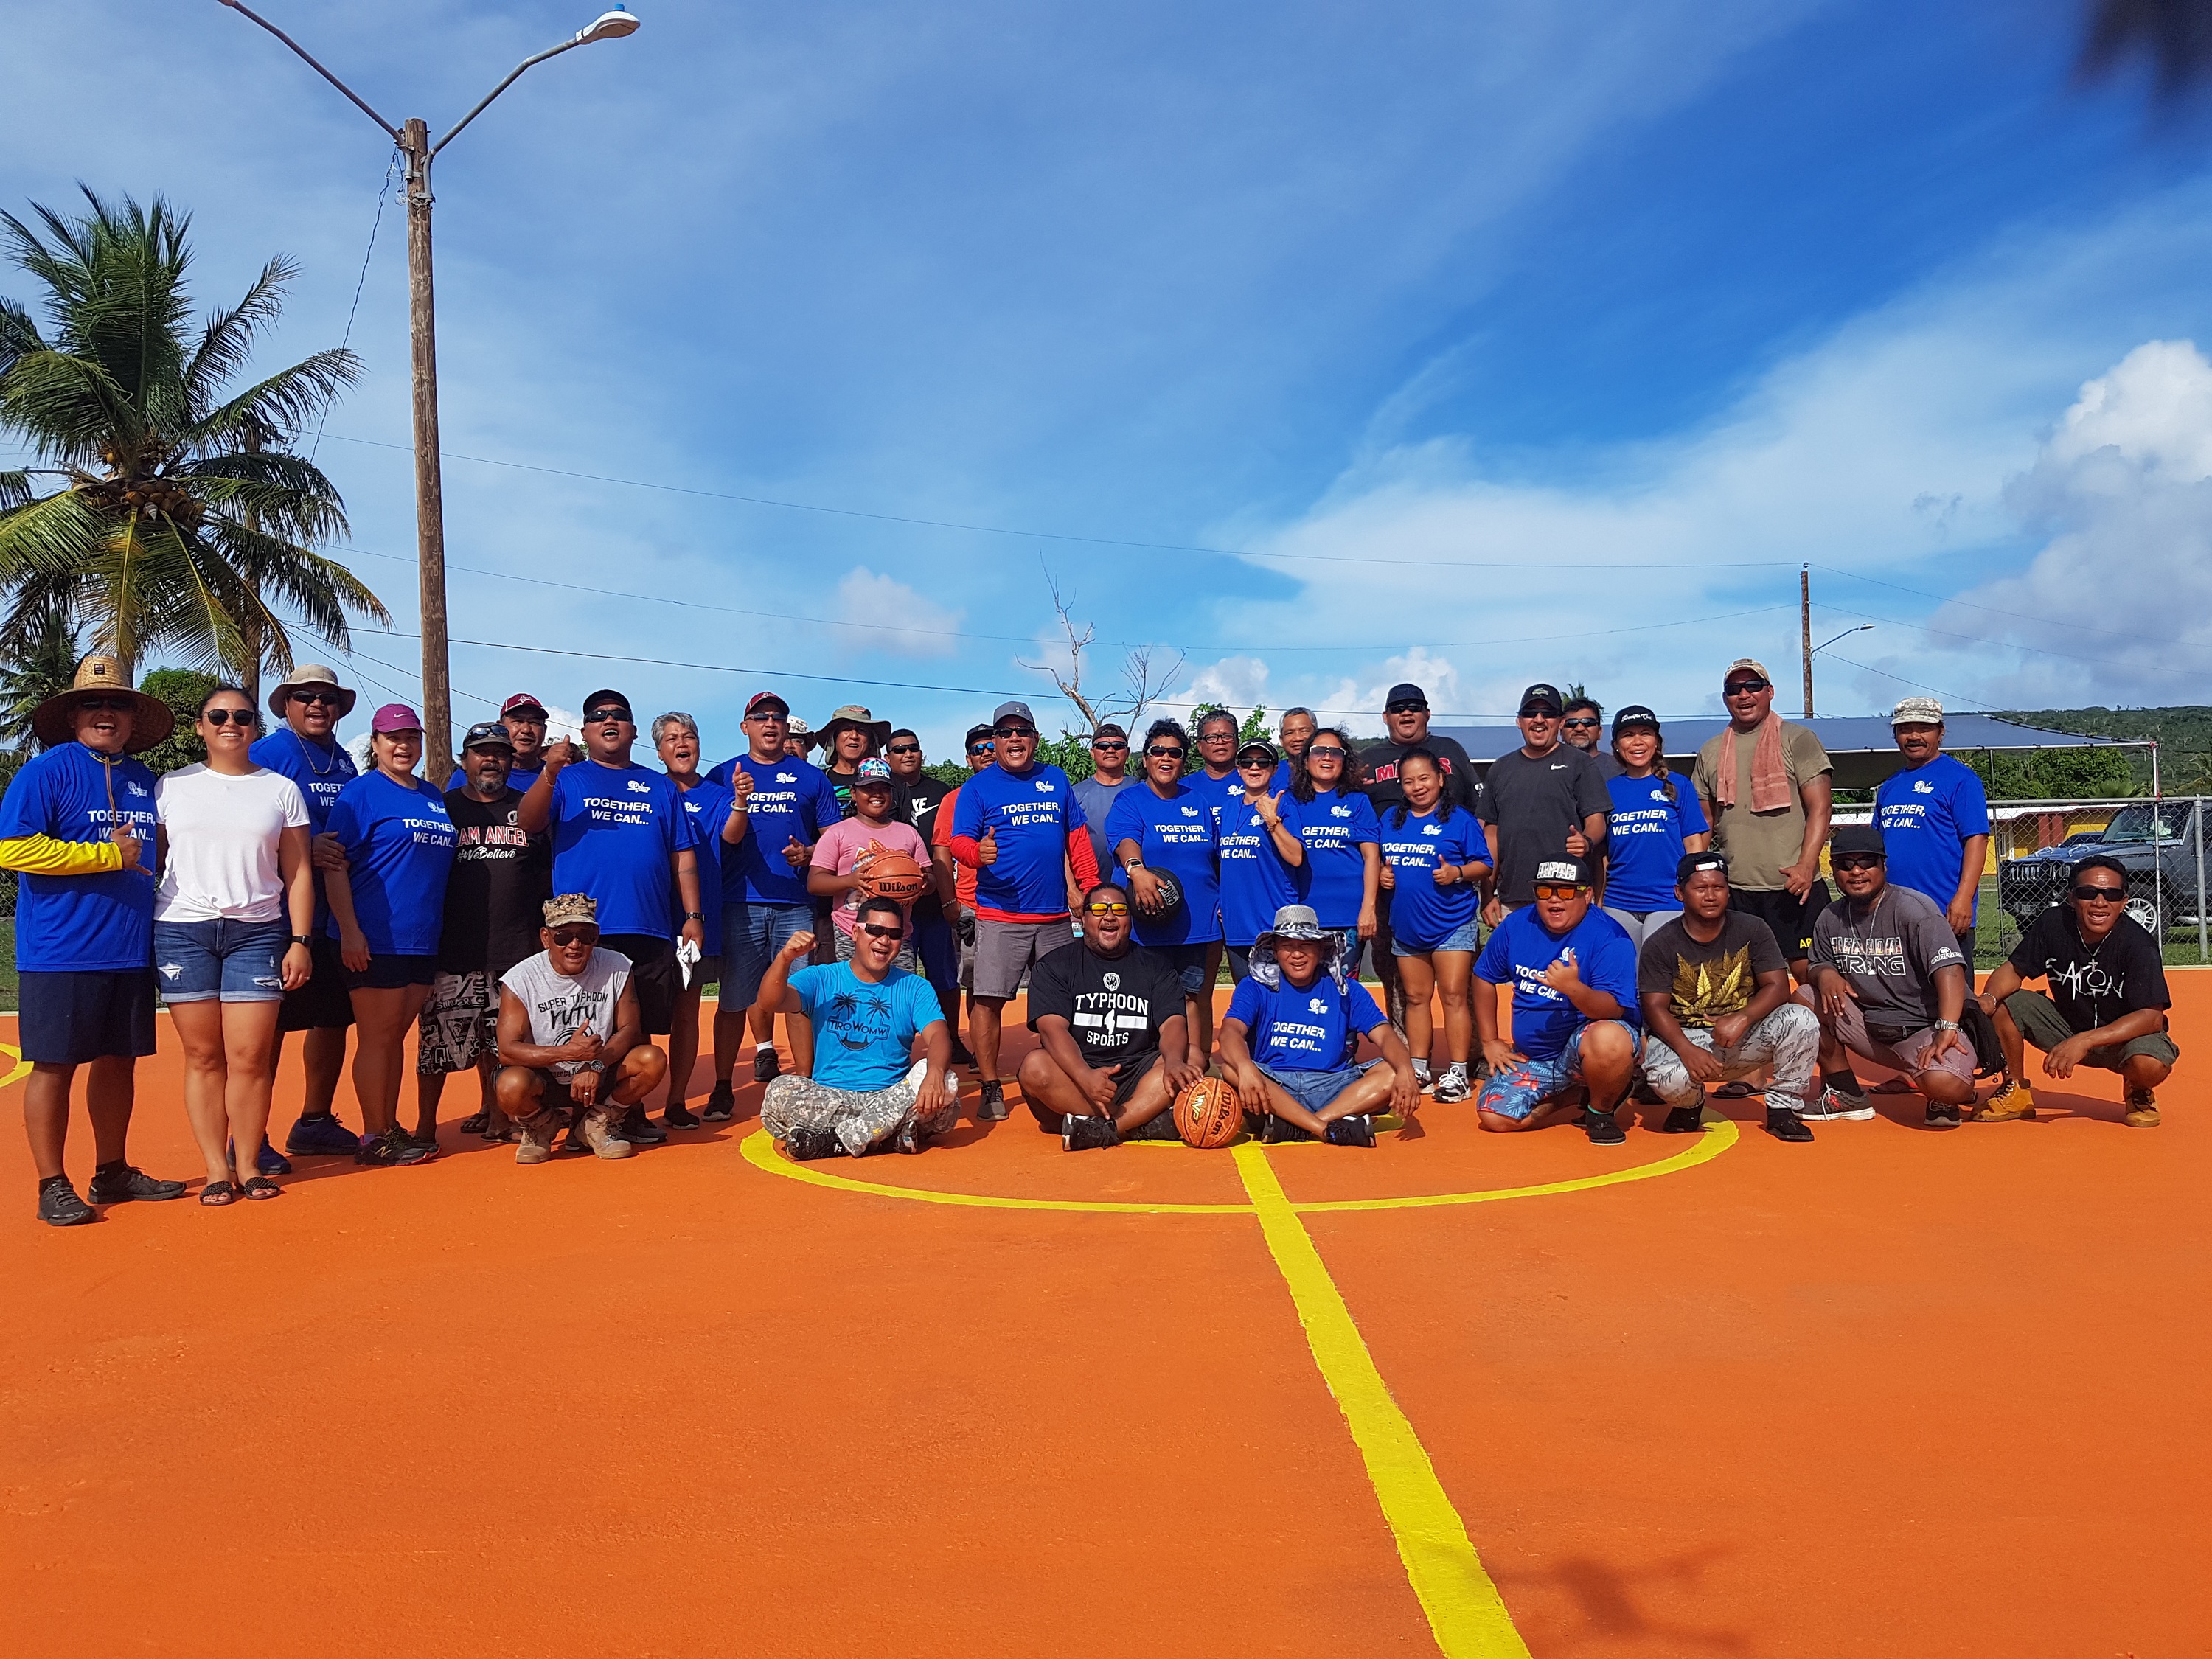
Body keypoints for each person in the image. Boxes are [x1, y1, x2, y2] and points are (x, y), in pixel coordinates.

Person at [1, 656, 185, 1225]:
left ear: (132, 719)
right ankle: (51, 1183)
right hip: (60, 951)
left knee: (118, 1063)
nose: (107, 712)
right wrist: (105, 855)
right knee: (53, 1066)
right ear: (74, 713)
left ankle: (111, 1171)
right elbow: (12, 849)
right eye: (94, 703)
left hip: (130, 948)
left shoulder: (144, 780)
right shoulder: (46, 771)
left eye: (119, 704)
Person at [153, 685, 316, 1203]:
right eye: (218, 716)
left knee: (249, 1056)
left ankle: (249, 1164)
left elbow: (300, 872)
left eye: (242, 716)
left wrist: (300, 940)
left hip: (259, 931)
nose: (231, 724)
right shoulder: (170, 787)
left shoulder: (281, 790)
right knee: (203, 1056)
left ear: (254, 727)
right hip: (183, 929)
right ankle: (215, 1168)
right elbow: (154, 865)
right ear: (199, 726)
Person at [519, 689, 704, 1147]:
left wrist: (693, 913)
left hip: (647, 923)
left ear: (634, 731)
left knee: (636, 1027)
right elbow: (528, 823)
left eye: (620, 716)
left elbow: (682, 854)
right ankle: (560, 1110)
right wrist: (549, 771)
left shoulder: (659, 786)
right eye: (599, 716)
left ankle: (622, 1110)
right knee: (583, 1021)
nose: (610, 720)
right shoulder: (567, 778)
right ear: (585, 730)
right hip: (581, 931)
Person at [321, 705, 459, 1166]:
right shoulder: (360, 794)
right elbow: (333, 865)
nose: (404, 746)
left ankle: (388, 1124)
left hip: (421, 937)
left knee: (393, 1038)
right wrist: (349, 931)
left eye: (411, 738)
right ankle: (374, 1134)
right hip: (375, 936)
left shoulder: (432, 795)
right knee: (378, 1038)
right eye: (392, 738)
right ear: (375, 744)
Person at [950, 700, 1100, 1120]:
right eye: (1005, 733)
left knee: (1065, 1004)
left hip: (1054, 917)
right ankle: (990, 1085)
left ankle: (1065, 1072)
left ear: (1035, 738)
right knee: (988, 1001)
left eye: (1022, 731)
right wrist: (977, 853)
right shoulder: (978, 788)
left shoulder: (1055, 779)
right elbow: (960, 842)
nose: (1014, 739)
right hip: (1001, 915)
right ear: (995, 741)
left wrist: (1089, 890)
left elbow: (1078, 842)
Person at [707, 692, 845, 1107]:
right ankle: (722, 1088)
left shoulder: (810, 778)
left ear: (787, 729)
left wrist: (809, 854)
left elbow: (832, 838)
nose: (770, 724)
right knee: (734, 1000)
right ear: (745, 726)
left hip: (794, 903)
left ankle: (806, 1083)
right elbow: (716, 835)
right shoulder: (721, 774)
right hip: (740, 903)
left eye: (778, 718)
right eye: (760, 717)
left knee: (799, 998)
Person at [251, 662, 365, 1161]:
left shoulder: (343, 761)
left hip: (331, 916)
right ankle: (250, 1134)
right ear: (288, 705)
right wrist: (299, 849)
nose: (318, 705)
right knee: (268, 1027)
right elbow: (244, 823)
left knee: (332, 1019)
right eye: (306, 697)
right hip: (277, 915)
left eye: (327, 698)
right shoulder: (268, 753)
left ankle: (315, 1120)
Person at [416, 722, 549, 1146]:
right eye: (480, 752)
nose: (490, 759)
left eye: (499, 753)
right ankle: (424, 1126)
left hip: (514, 947)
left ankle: (498, 1116)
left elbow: (545, 874)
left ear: (511, 761)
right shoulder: (444, 807)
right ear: (464, 760)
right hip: (454, 944)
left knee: (501, 1044)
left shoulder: (528, 808)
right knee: (437, 1045)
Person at [1975, 854, 2178, 1127]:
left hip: (2125, 1039)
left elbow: (2151, 1017)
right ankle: (2016, 1092)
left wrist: (2085, 1041)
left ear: (2124, 902)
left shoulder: (2138, 944)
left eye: (2111, 894)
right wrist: (1987, 999)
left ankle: (2138, 1091)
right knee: (2004, 1002)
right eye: (2088, 893)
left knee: (2149, 1064)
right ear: (2071, 898)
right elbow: (2013, 970)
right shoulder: (2053, 924)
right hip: (2067, 1026)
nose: (2100, 902)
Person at [1635, 852, 1820, 1141]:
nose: (1710, 896)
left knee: (1802, 1019)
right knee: (1666, 1079)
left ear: (1728, 891)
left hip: (1743, 1033)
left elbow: (1778, 986)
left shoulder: (1753, 928)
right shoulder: (1661, 942)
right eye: (1700, 888)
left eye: (1718, 888)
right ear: (1680, 893)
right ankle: (1689, 1105)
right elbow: (1654, 1007)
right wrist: (1686, 1049)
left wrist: (1742, 1017)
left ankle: (1784, 1108)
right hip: (1687, 1035)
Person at [1799, 825, 1975, 1127]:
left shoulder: (1914, 909)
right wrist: (1825, 972)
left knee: (1947, 1086)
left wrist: (1947, 1028)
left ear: (1884, 865)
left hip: (1926, 1028)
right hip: (1872, 1027)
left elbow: (1950, 970)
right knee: (1804, 998)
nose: (1856, 871)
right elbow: (1817, 963)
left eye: (1866, 861)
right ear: (1833, 870)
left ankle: (1941, 1089)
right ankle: (1846, 1093)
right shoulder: (1830, 917)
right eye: (1845, 864)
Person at [754, 900, 956, 1158]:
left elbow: (939, 1034)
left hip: (891, 1094)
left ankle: (836, 1140)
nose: (884, 940)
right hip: (833, 1096)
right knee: (779, 1093)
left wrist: (936, 1072)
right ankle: (886, 1136)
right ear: (855, 932)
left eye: (894, 934)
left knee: (947, 1083)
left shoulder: (915, 987)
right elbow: (768, 1002)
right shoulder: (821, 978)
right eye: (874, 930)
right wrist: (785, 958)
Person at [1018, 882, 1203, 1148]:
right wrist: (1085, 1076)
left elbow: (1172, 1022)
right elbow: (1051, 1030)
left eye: (1119, 909)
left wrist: (1173, 1060)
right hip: (1076, 1077)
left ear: (1130, 918)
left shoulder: (1156, 967)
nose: (1109, 916)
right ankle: (1138, 1120)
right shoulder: (1055, 965)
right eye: (1099, 910)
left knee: (1192, 1056)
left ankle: (1110, 1129)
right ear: (1084, 917)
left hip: (1137, 1073)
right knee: (1034, 1067)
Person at [1220, 904, 1422, 1145]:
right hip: (1274, 1085)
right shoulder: (1255, 986)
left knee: (1392, 1071)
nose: (1297, 954)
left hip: (1333, 1087)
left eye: (1305, 945)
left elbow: (1386, 1037)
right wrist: (1245, 1067)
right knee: (1231, 1069)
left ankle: (1299, 1126)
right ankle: (1325, 1127)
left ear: (1320, 948)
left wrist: (1407, 1069)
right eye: (1287, 946)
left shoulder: (1347, 989)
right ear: (1274, 950)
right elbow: (1230, 1032)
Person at [1472, 857, 1641, 1145]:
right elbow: (1484, 976)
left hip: (1585, 1048)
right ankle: (1574, 1095)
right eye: (1544, 891)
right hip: (1533, 1057)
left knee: (1611, 1039)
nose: (1554, 900)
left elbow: (1614, 1008)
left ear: (1587, 895)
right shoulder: (1517, 925)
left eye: (1566, 891)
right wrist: (1490, 1040)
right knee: (1496, 1117)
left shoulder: (1610, 937)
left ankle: (1600, 1111)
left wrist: (1574, 989)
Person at [493, 894, 669, 1162]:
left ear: (596, 937)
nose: (575, 945)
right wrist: (567, 1053)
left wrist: (595, 1064)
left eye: (585, 936)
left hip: (600, 1072)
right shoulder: (521, 979)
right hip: (545, 1078)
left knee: (652, 1059)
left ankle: (596, 1123)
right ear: (545, 938)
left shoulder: (617, 966)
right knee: (509, 1085)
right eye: (563, 936)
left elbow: (631, 1029)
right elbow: (507, 1051)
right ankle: (541, 1125)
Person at [1693, 658, 1833, 981]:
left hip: (1794, 887)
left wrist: (1805, 864)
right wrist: (1696, 876)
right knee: (1745, 982)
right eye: (1734, 689)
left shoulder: (1798, 739)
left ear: (1769, 692)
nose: (1743, 695)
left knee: (1812, 977)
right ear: (1725, 697)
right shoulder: (1710, 751)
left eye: (1752, 686)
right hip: (1737, 890)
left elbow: (1821, 809)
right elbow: (1703, 822)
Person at [1360, 681, 1481, 1028]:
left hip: (1448, 895)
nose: (1407, 713)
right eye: (1398, 709)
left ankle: (1468, 1059)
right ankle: (1408, 1058)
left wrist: (1470, 876)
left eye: (1414, 707)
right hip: (1391, 894)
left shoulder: (1450, 749)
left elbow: (1479, 813)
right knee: (1397, 979)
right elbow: (1355, 819)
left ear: (1427, 713)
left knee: (1458, 986)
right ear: (1386, 717)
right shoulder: (1369, 760)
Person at [1105, 717, 1222, 1063]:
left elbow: (1216, 856)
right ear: (1145, 759)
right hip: (1146, 927)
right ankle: (1145, 1068)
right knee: (1142, 1000)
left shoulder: (1198, 802)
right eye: (1158, 751)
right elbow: (1125, 840)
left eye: (1175, 752)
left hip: (1195, 925)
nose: (1166, 758)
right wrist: (1136, 870)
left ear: (1184, 759)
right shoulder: (1130, 800)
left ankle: (1196, 1068)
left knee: (1192, 998)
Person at [1377, 751, 1492, 1101]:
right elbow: (1381, 860)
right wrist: (1383, 874)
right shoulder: (1390, 820)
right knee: (1415, 998)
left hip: (1452, 922)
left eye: (1424, 778)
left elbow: (1484, 864)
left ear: (1440, 779)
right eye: (1409, 781)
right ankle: (1419, 1065)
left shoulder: (1460, 820)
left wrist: (1457, 873)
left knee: (1454, 996)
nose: (1417, 787)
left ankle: (1458, 1071)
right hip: (1407, 925)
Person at [654, 711, 734, 1130]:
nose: (681, 744)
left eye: (688, 736)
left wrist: (739, 803)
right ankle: (623, 1105)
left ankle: (676, 1100)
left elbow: (733, 835)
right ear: (659, 749)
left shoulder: (717, 794)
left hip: (696, 920)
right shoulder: (647, 790)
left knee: (687, 1010)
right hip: (647, 916)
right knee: (633, 1011)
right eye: (671, 739)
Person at [1478, 682, 1610, 922]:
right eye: (1530, 713)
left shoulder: (1580, 763)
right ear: (1519, 721)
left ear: (1560, 722)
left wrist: (1587, 841)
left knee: (1566, 962)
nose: (1539, 719)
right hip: (1513, 898)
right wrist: (1487, 895)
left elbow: (1596, 821)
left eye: (1548, 713)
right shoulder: (1500, 768)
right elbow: (1491, 835)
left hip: (1567, 895)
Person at [1874, 698, 1991, 960]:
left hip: (1943, 912)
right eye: (1905, 729)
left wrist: (1963, 899)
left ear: (1940, 732)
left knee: (1952, 995)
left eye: (1924, 728)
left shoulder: (1960, 780)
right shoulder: (1890, 786)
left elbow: (1977, 840)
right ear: (1895, 735)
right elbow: (1878, 847)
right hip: (1894, 914)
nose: (1914, 736)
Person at [809, 757, 939, 972]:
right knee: (854, 995)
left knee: (896, 995)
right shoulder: (838, 833)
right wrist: (851, 880)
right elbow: (814, 882)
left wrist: (923, 882)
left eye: (884, 789)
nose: (877, 794)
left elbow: (930, 879)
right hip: (851, 930)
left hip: (897, 934)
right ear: (854, 794)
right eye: (868, 788)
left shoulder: (908, 833)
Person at [1600, 705, 1711, 950]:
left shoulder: (1678, 785)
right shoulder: (1607, 790)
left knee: (1657, 976)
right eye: (1628, 735)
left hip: (1667, 900)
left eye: (1645, 734)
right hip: (1618, 902)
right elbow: (1604, 853)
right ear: (1617, 745)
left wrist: (1694, 892)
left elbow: (1694, 846)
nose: (1637, 742)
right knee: (1624, 974)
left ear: (1657, 742)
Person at [925, 723, 998, 1066]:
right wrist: (949, 901)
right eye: (978, 749)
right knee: (972, 982)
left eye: (989, 746)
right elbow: (941, 853)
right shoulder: (954, 799)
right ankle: (976, 1050)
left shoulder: (1027, 790)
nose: (985, 753)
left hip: (1020, 904)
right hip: (971, 904)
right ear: (968, 757)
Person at [888, 728, 962, 1046]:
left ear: (921, 753)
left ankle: (951, 1038)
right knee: (894, 978)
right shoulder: (880, 791)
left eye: (913, 748)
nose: (907, 754)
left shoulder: (941, 791)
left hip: (932, 904)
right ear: (887, 757)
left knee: (944, 976)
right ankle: (894, 1043)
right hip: (894, 908)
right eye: (900, 749)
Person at [1289, 724, 1381, 964]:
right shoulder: (1289, 801)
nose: (1328, 757)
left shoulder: (1358, 801)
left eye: (1336, 752)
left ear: (1345, 761)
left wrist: (1369, 908)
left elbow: (1372, 858)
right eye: (1319, 751)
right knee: (1305, 990)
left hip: (1348, 915)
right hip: (1302, 915)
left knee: (1343, 989)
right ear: (1306, 760)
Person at [1218, 738, 1306, 981]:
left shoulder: (1284, 805)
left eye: (1262, 762)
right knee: (1248, 1003)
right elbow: (1223, 861)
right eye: (1247, 762)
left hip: (1273, 925)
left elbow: (1296, 857)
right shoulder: (1227, 809)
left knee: (1275, 1003)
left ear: (1274, 769)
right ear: (1238, 768)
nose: (1254, 768)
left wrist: (1271, 820)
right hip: (1237, 926)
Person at [1072, 723, 1135, 881]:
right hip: (1090, 888)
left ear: (1127, 753)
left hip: (1134, 886)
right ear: (1092, 753)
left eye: (1118, 746)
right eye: (1103, 746)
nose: (1110, 750)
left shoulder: (1141, 789)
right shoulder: (1075, 794)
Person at [499, 692, 553, 790]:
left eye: (534, 722)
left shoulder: (560, 777)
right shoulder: (472, 776)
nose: (526, 730)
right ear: (501, 727)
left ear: (544, 730)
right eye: (518, 721)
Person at [1562, 696, 1621, 779]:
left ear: (1599, 732)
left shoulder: (1620, 769)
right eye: (1571, 723)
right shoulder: (1547, 767)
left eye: (1588, 723)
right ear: (1561, 732)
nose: (1579, 729)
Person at [1273, 706, 1318, 791]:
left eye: (1304, 731)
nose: (1298, 738)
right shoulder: (1271, 773)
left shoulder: (1330, 771)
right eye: (1289, 733)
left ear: (1317, 735)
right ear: (1281, 740)